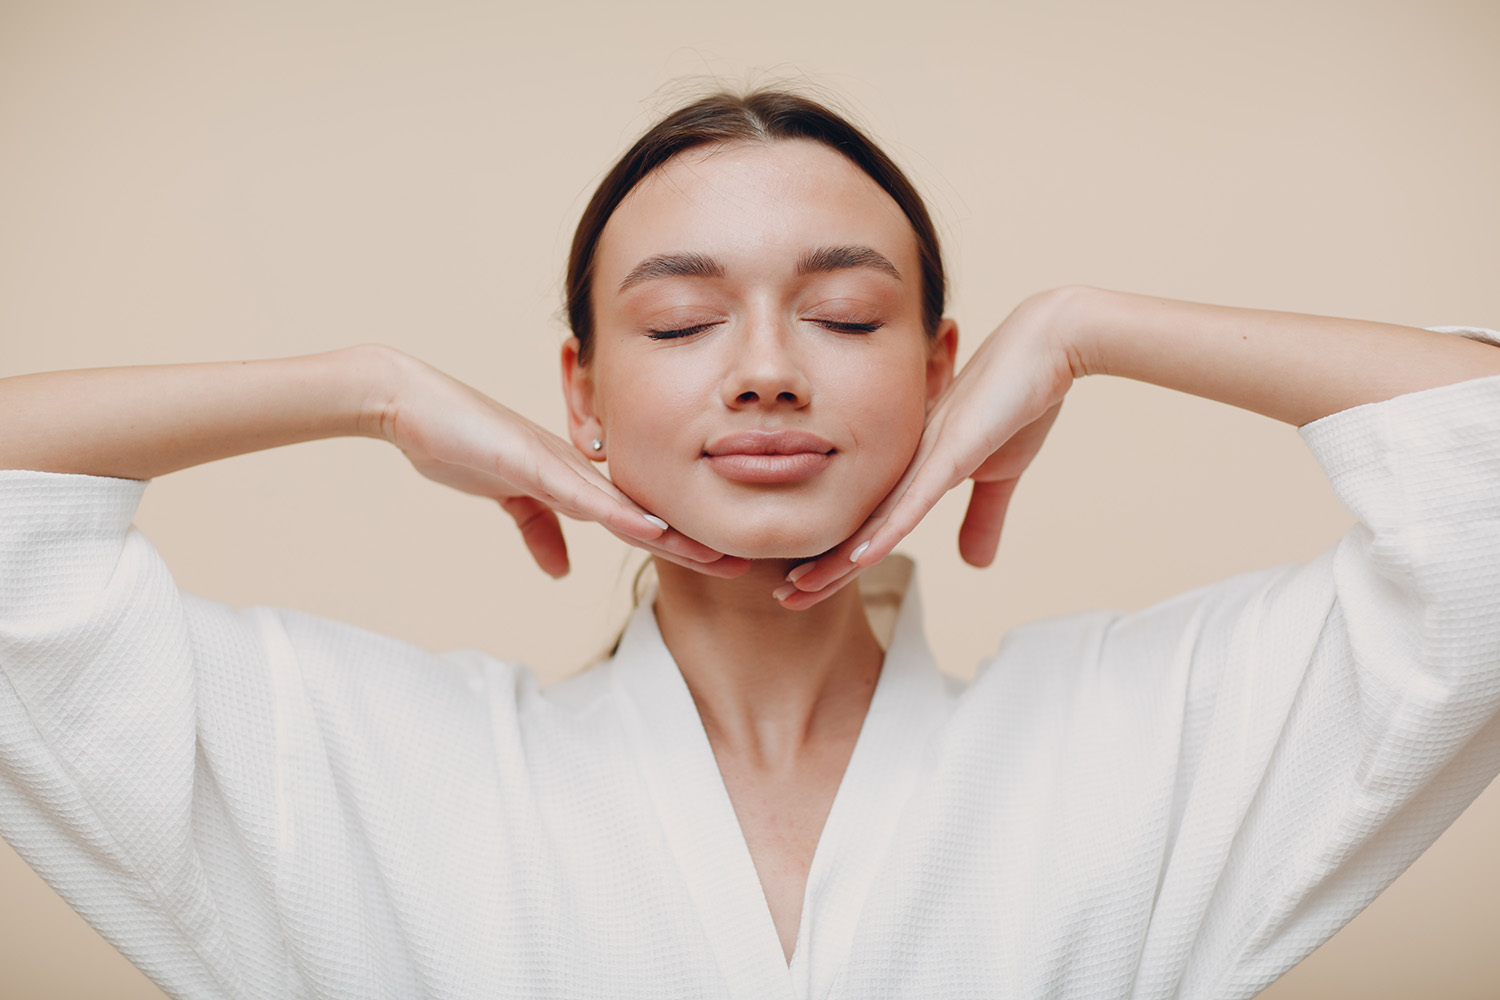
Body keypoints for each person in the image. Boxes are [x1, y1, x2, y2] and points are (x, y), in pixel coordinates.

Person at [1, 89, 1497, 999]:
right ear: (580, 388)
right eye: (678, 320)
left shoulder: (1133, 737)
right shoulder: (362, 762)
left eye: (847, 317)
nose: (769, 368)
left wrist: (1093, 330)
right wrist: (367, 390)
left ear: (942, 369)